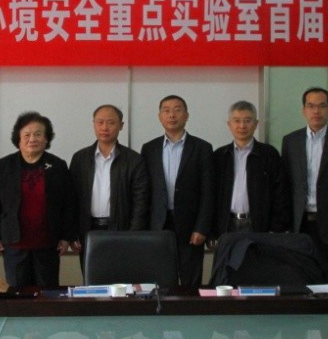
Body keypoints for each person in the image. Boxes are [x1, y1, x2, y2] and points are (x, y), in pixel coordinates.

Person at [0, 112, 76, 288]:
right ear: (18, 139)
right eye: (26, 135)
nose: (32, 139)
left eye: (38, 134)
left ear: (46, 138)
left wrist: (67, 237)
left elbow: (68, 204)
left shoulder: (58, 165)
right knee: (17, 294)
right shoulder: (4, 165)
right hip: (14, 243)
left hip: (48, 243)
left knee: (47, 293)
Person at [281, 87, 328, 283]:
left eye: (322, 106)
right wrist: (285, 223)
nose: (316, 111)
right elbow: (286, 184)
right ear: (303, 110)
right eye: (311, 106)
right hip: (300, 222)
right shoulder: (290, 141)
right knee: (300, 276)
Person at [141, 95, 214, 286]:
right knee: (160, 278)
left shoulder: (202, 148)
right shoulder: (149, 149)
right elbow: (144, 192)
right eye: (166, 110)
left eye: (177, 110)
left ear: (186, 115)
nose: (171, 115)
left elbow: (208, 192)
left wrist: (202, 227)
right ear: (160, 117)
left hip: (190, 225)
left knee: (191, 280)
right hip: (158, 224)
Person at [69, 104, 149, 265]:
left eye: (111, 122)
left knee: (120, 276)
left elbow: (141, 201)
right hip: (87, 230)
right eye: (100, 122)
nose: (105, 127)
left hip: (121, 229)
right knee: (91, 276)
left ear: (121, 125)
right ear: (94, 124)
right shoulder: (80, 158)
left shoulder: (134, 160)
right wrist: (72, 233)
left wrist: (134, 234)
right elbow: (71, 198)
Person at [212, 101, 290, 236]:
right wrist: (212, 231)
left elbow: (280, 193)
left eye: (247, 121)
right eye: (237, 121)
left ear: (256, 124)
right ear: (229, 124)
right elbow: (211, 195)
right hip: (226, 225)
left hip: (259, 226)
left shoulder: (269, 154)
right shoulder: (220, 156)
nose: (242, 126)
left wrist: (277, 227)